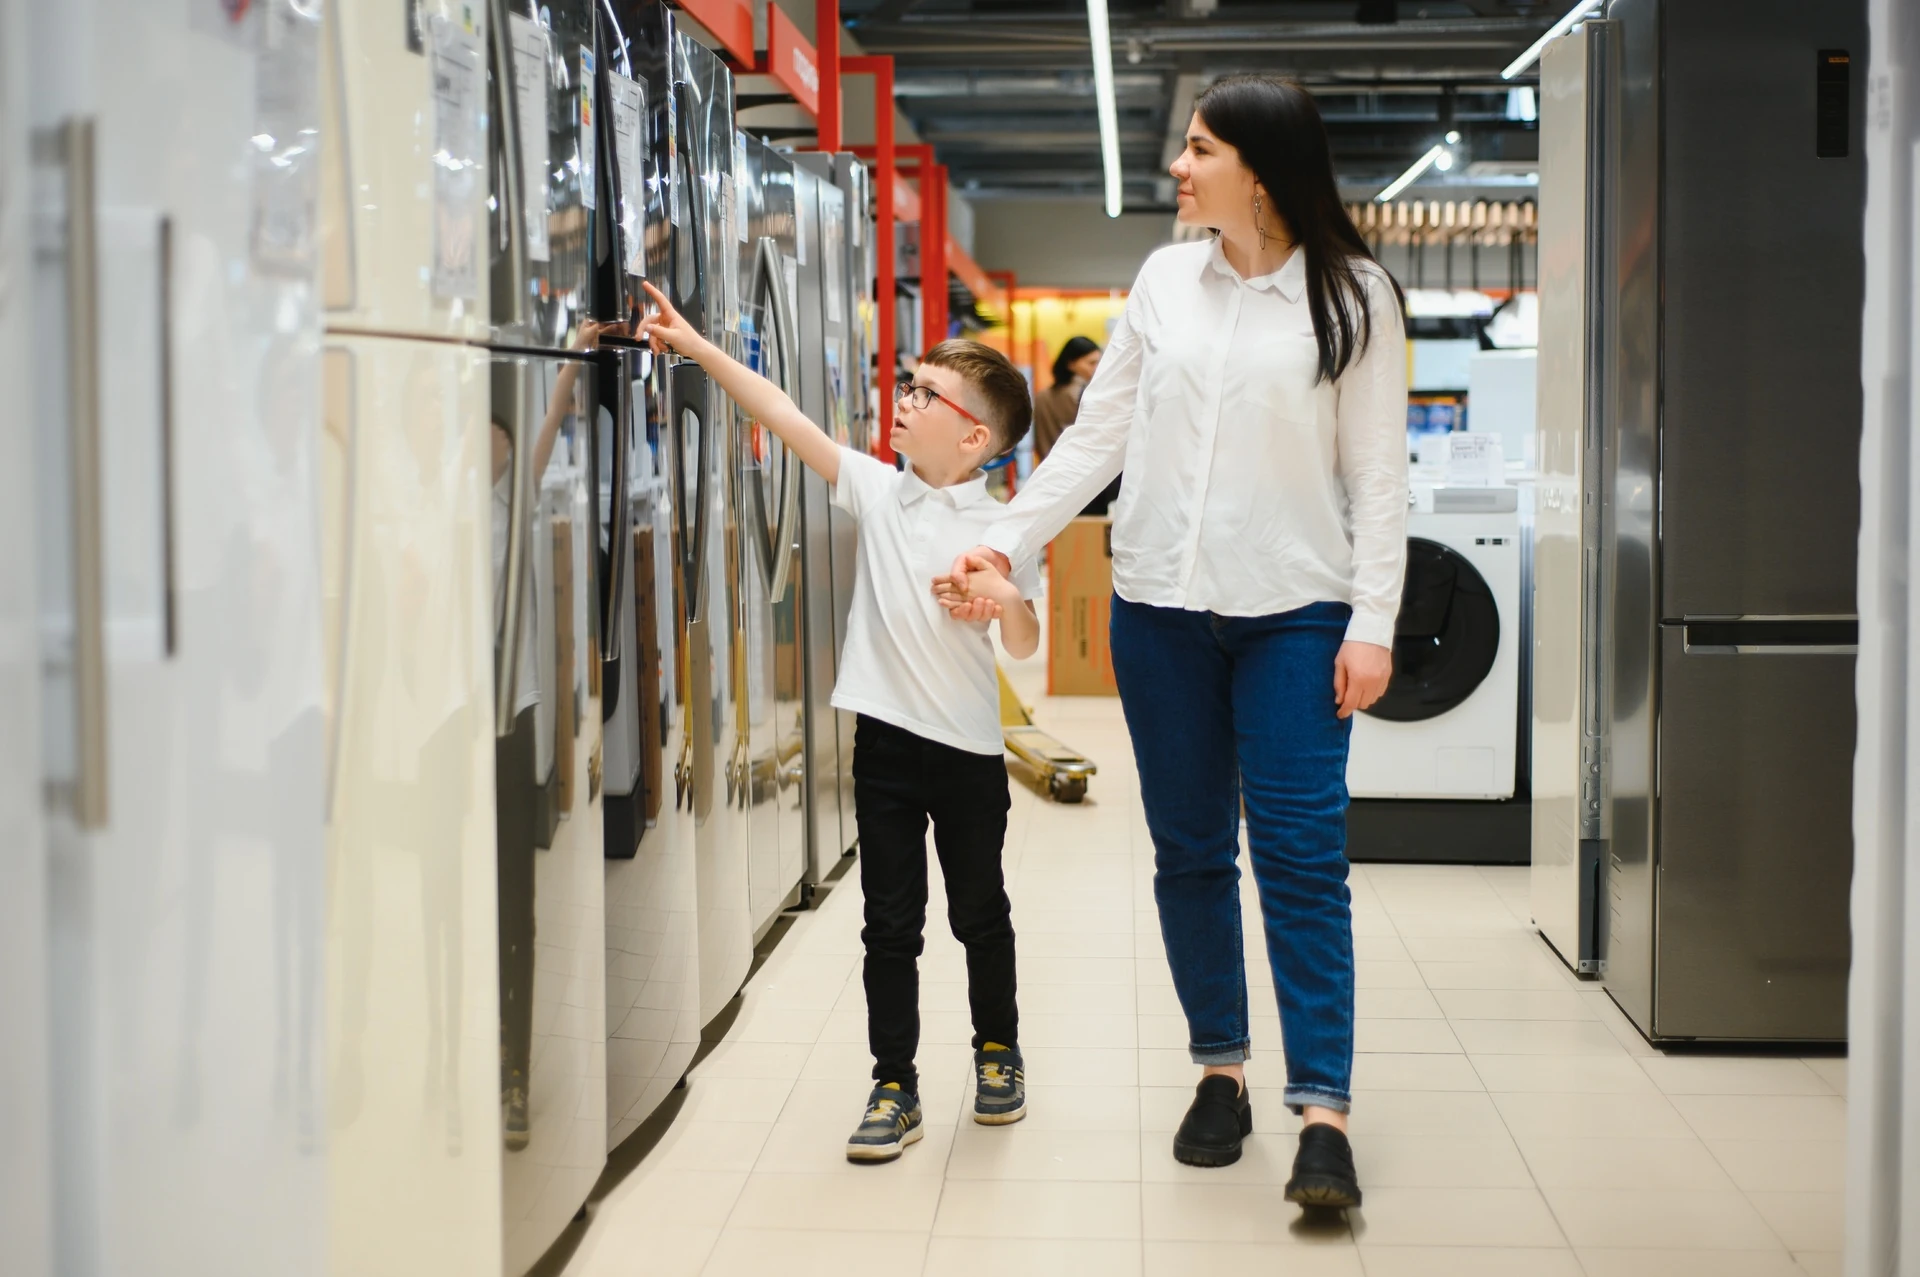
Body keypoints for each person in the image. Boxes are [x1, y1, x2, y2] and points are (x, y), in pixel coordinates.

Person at [939, 74, 1408, 1210]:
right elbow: (1097, 438)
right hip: (1159, 612)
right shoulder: (1163, 281)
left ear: (1260, 163)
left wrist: (1375, 621)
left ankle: (1324, 1110)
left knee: (1302, 855)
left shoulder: (1354, 294)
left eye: (1198, 149)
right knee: (1191, 849)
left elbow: (1379, 475)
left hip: (1297, 611)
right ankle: (1220, 1069)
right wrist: (1004, 541)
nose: (1179, 168)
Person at [636, 280, 1043, 1164]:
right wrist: (697, 347)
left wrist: (1002, 595)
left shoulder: (1011, 523)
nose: (904, 399)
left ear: (973, 435)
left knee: (981, 911)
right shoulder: (877, 489)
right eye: (909, 383)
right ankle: (894, 1084)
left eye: (924, 393)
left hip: (971, 753)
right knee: (888, 923)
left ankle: (998, 1050)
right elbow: (782, 414)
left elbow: (1023, 639)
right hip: (887, 748)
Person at [1031, 336, 1101, 464]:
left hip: (1048, 469)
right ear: (1071, 364)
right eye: (1091, 363)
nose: (1096, 368)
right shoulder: (1085, 395)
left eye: (1098, 363)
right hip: (1079, 469)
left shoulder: (1041, 396)